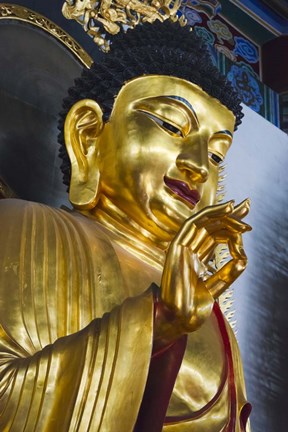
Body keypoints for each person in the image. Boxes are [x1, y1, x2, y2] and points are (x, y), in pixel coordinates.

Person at [0, 22, 251, 431]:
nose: (199, 165)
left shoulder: (214, 318)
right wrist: (157, 325)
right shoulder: (23, 227)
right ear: (88, 136)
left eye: (218, 154)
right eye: (171, 126)